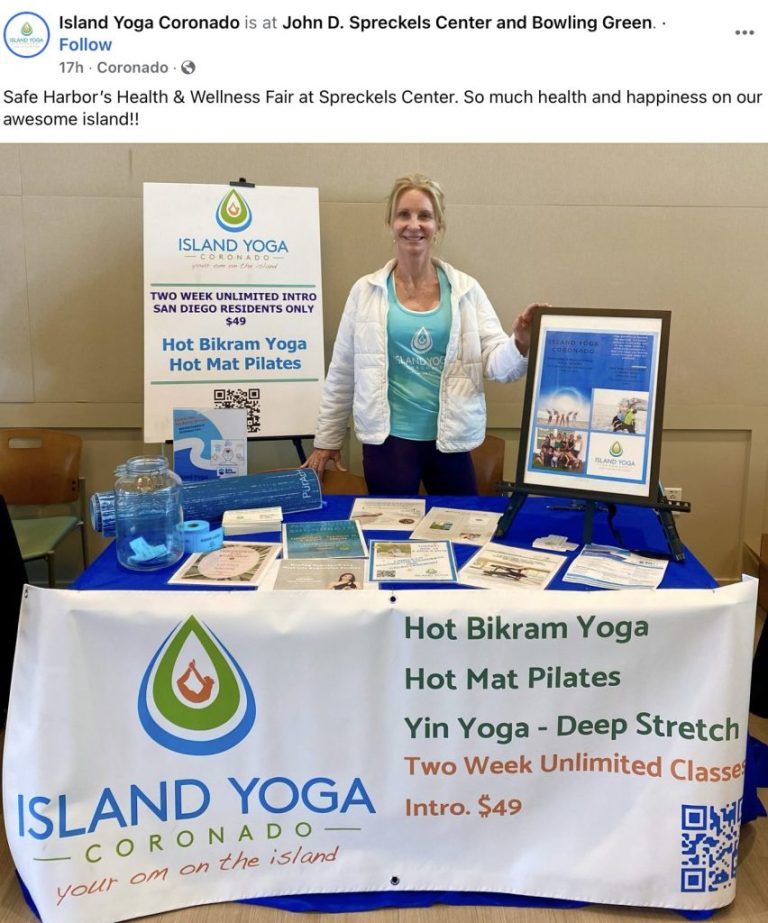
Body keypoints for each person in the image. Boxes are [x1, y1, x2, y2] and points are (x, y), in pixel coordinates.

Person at [302, 173, 548, 495]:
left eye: (425, 216)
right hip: (388, 444)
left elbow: (494, 364)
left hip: (450, 439)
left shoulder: (466, 290)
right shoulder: (366, 292)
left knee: (460, 522)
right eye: (404, 214)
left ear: (438, 225)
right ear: (391, 223)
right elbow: (343, 371)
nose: (413, 224)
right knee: (389, 526)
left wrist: (520, 343)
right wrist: (327, 439)